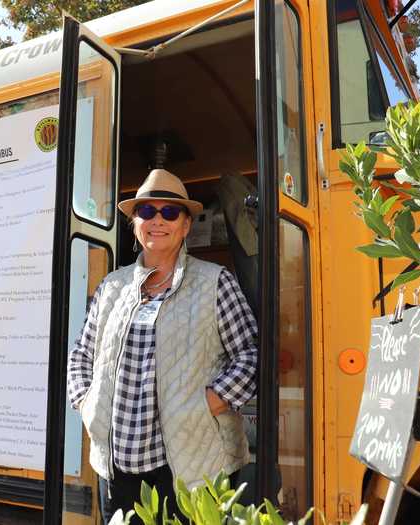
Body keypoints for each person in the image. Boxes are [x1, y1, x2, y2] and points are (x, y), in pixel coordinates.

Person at [67, 169, 257, 523]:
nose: (158, 220)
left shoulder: (215, 282)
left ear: (186, 225)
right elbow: (81, 353)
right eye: (147, 212)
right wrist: (86, 401)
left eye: (170, 212)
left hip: (193, 464)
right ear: (135, 224)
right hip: (119, 468)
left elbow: (250, 353)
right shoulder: (113, 287)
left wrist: (210, 402)